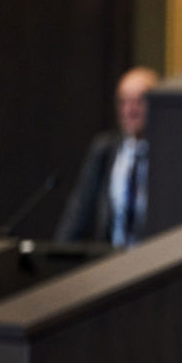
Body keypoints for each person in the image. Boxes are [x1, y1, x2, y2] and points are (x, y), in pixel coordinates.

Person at [55, 66, 160, 246]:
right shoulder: (104, 150)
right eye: (123, 101)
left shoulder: (168, 155)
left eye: (139, 101)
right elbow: (79, 211)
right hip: (111, 261)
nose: (130, 110)